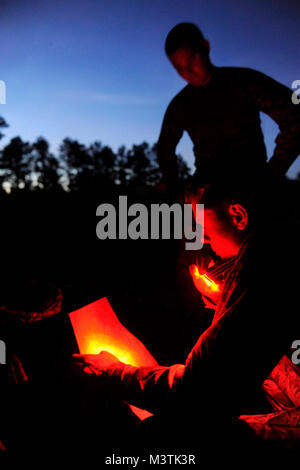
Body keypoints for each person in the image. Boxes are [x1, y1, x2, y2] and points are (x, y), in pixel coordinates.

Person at [73, 181, 299, 455]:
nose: (202, 238)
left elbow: (197, 394)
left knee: (160, 436)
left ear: (238, 216)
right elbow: (259, 338)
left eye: (202, 224)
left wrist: (114, 372)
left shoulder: (264, 262)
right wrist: (222, 301)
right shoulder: (281, 245)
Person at [156, 22, 300, 193]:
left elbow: (294, 114)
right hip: (208, 197)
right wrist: (177, 189)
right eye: (179, 68)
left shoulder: (243, 82)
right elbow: (165, 149)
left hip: (252, 190)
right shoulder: (179, 105)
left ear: (205, 47)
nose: (188, 71)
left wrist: (274, 171)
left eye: (191, 60)